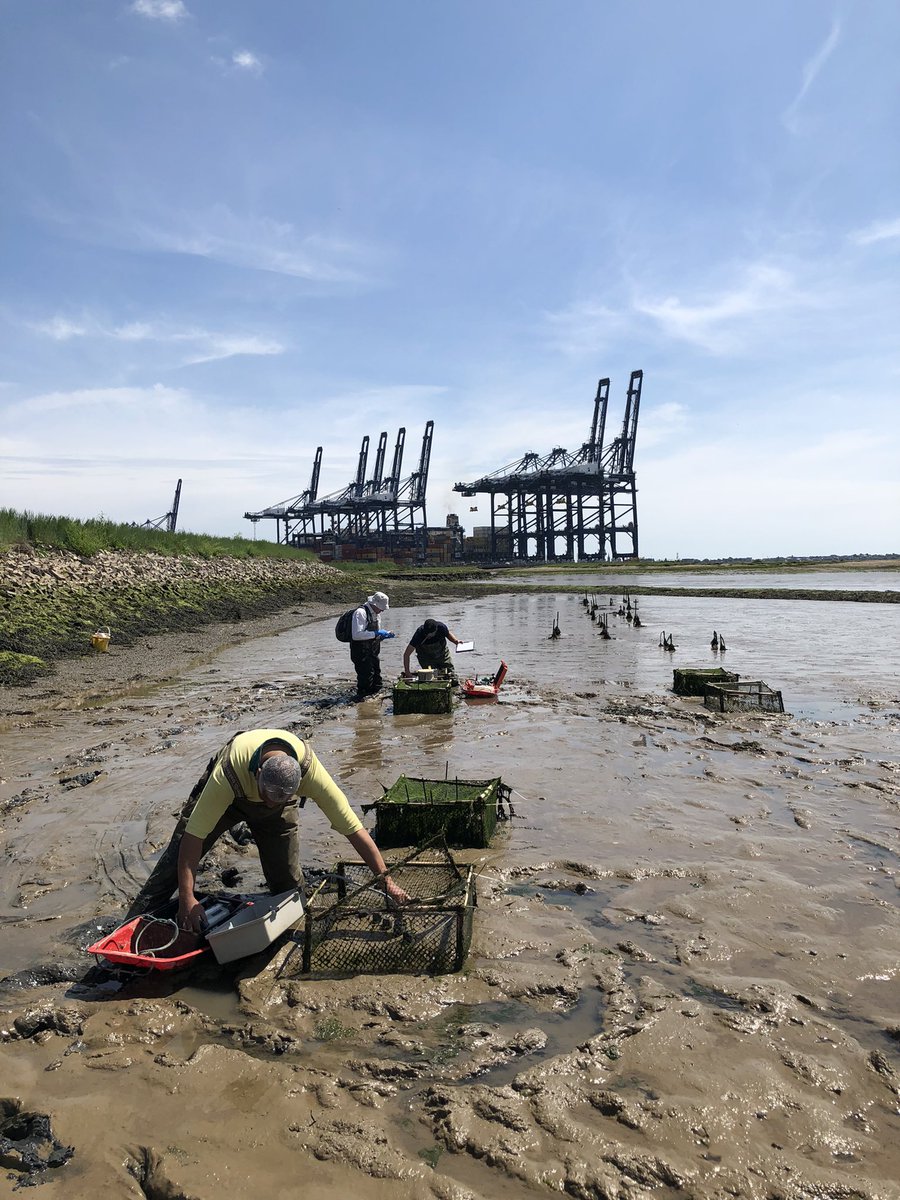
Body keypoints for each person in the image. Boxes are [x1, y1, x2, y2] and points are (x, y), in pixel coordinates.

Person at [125, 728, 408, 930]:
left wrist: (387, 882)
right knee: (173, 865)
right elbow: (193, 837)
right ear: (258, 774)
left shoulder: (310, 774)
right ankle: (133, 922)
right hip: (231, 799)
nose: (267, 804)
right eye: (266, 797)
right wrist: (187, 898)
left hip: (276, 810)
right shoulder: (229, 773)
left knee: (287, 889)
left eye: (280, 799)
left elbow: (354, 832)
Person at [350, 591, 394, 699]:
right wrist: (376, 633)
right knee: (365, 676)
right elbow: (356, 635)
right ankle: (362, 699)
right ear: (374, 604)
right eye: (381, 608)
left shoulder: (377, 615)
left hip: (373, 650)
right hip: (360, 651)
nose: (382, 611)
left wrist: (383, 636)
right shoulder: (360, 613)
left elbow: (375, 633)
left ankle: (376, 697)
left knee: (376, 675)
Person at [403, 617, 464, 682]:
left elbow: (448, 634)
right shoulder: (419, 634)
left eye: (431, 634)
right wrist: (407, 672)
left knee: (450, 675)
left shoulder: (441, 627)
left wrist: (456, 641)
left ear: (436, 630)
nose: (429, 636)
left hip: (442, 654)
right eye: (427, 634)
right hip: (426, 658)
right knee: (429, 678)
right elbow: (406, 654)